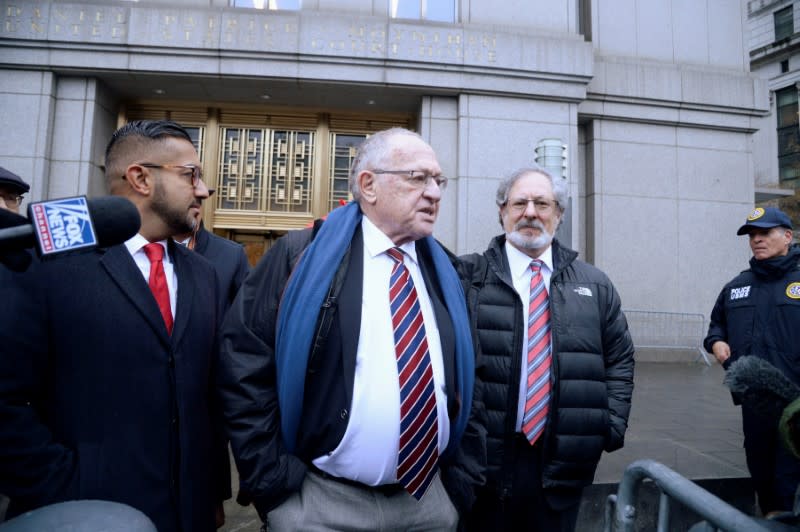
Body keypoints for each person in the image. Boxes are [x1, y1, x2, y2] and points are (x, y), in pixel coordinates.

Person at [218, 127, 483, 530]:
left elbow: (473, 382)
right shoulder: (299, 257)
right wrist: (275, 488)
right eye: (418, 178)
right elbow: (244, 366)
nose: (434, 193)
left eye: (438, 180)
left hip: (427, 504)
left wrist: (458, 488)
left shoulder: (450, 273)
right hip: (321, 504)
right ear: (368, 185)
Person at [0, 120, 227, 531]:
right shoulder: (46, 262)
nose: (203, 190)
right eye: (190, 174)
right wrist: (63, 485)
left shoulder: (205, 274)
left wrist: (210, 491)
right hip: (80, 512)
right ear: (140, 178)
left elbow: (207, 398)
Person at [459, 166, 635, 531]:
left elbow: (619, 359)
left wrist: (609, 425)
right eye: (519, 202)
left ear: (559, 214)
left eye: (542, 203)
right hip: (484, 461)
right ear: (502, 211)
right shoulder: (468, 278)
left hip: (563, 461)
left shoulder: (595, 285)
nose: (530, 212)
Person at [704, 206, 800, 516]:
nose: (757, 240)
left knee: (790, 479)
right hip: (755, 403)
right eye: (752, 235)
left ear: (788, 236)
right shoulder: (737, 286)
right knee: (762, 474)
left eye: (765, 233)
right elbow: (716, 324)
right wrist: (717, 342)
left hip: (796, 405)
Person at [174, 188, 249, 310]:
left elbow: (245, 316)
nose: (196, 204)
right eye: (187, 198)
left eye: (198, 200)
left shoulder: (232, 254)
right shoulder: (147, 248)